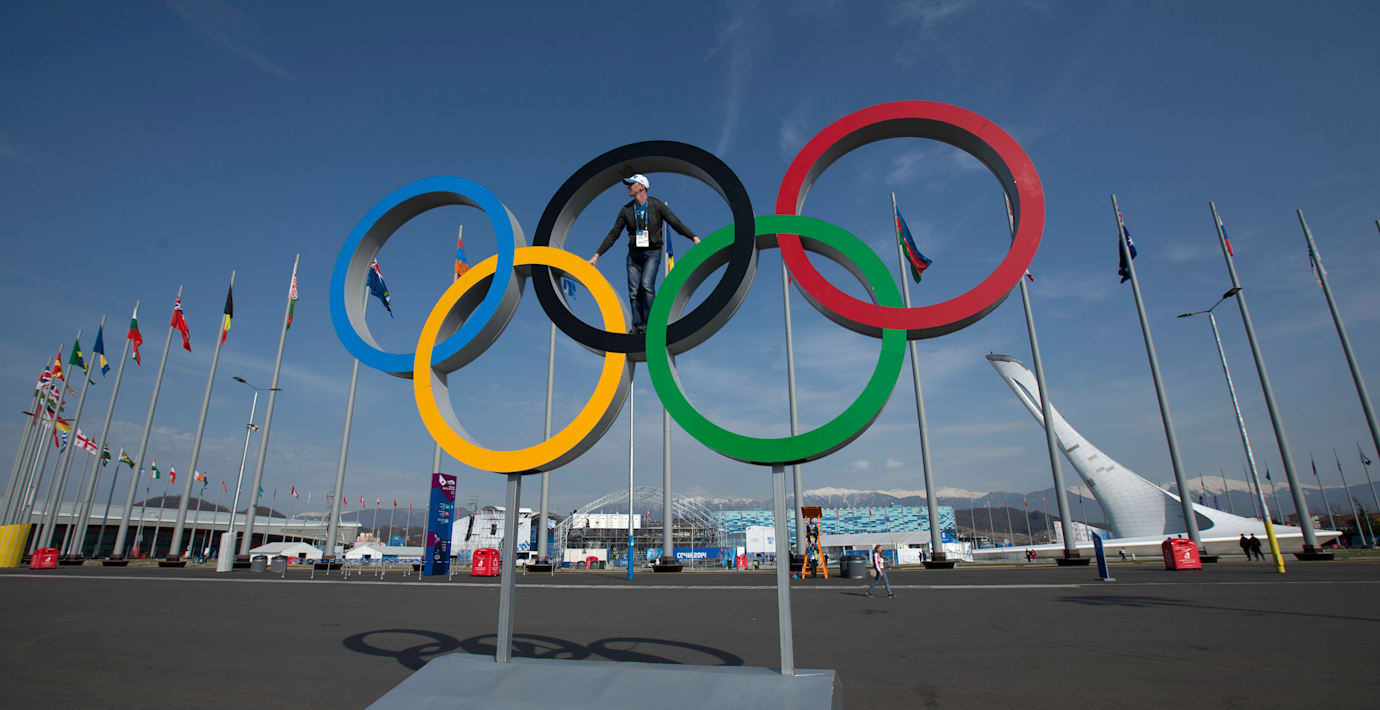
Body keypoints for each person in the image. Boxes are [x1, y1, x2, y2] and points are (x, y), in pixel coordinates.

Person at [588, 174, 701, 334]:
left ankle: (650, 323)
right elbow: (613, 234)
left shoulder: (656, 205)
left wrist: (693, 237)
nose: (628, 187)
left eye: (631, 184)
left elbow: (675, 222)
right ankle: (637, 325)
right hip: (634, 254)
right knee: (634, 290)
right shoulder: (626, 210)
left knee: (646, 285)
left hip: (652, 252)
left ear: (642, 186)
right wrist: (597, 255)